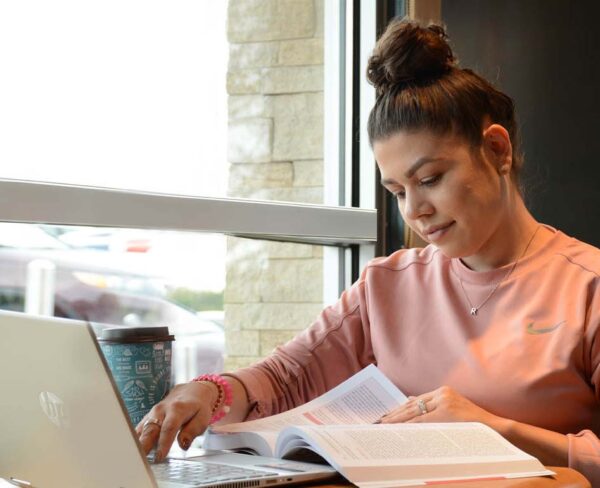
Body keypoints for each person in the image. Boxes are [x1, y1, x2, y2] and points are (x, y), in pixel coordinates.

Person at [136, 19, 600, 484]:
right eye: (397, 191)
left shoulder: (587, 287)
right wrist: (207, 392)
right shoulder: (386, 285)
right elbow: (284, 379)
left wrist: (491, 430)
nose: (415, 210)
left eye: (430, 179)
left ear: (497, 150)